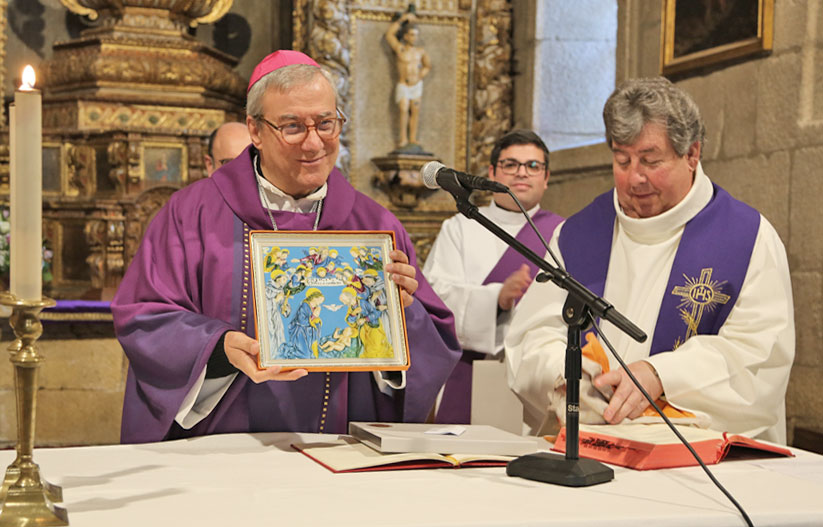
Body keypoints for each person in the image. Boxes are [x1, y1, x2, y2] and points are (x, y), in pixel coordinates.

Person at [112, 49, 461, 443]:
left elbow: (433, 344)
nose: (313, 143)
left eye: (326, 123)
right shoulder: (191, 215)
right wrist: (218, 348)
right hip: (220, 451)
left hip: (338, 451)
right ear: (256, 130)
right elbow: (145, 317)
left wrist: (399, 315)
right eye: (293, 126)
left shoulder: (375, 227)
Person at [504, 77, 794, 443]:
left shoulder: (748, 238)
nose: (634, 177)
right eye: (622, 160)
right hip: (590, 446)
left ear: (692, 154)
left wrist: (661, 375)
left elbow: (759, 354)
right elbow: (533, 334)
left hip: (698, 456)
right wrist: (565, 373)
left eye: (650, 160)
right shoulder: (577, 235)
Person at [423, 129, 563, 423]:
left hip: (538, 378)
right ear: (492, 172)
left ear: (546, 177)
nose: (521, 173)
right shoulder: (460, 228)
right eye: (510, 164)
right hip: (472, 371)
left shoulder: (564, 234)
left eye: (533, 165)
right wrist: (495, 299)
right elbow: (433, 300)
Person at [385, 10, 431, 150]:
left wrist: (420, 75)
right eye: (411, 35)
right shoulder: (400, 49)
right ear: (405, 36)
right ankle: (403, 138)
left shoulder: (420, 51)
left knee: (415, 110)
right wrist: (402, 20)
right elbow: (389, 35)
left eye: (415, 35)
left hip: (416, 85)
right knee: (403, 109)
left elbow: (427, 66)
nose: (414, 38)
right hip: (403, 84)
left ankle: (413, 138)